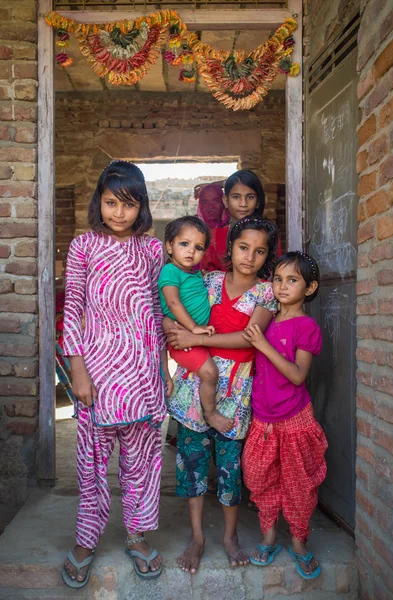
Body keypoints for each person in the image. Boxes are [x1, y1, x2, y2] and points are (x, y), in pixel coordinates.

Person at [62, 160, 173, 588]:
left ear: (142, 206)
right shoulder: (83, 245)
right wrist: (78, 370)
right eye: (111, 203)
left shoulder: (150, 250)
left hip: (142, 372)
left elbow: (154, 310)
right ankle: (87, 540)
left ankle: (137, 535)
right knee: (91, 461)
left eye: (129, 204)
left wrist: (162, 367)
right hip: (98, 372)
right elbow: (73, 306)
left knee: (142, 461)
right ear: (99, 203)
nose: (119, 213)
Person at [165, 216, 278, 573]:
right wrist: (172, 327)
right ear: (229, 248)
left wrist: (196, 338)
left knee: (230, 467)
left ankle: (230, 536)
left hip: (236, 388)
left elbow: (250, 336)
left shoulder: (266, 293)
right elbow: (174, 308)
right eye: (243, 247)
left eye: (259, 252)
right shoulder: (207, 280)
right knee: (193, 464)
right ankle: (197, 537)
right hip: (195, 380)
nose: (250, 256)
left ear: (266, 257)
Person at [241, 251, 327, 580]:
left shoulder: (306, 326)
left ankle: (299, 543)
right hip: (263, 417)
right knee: (261, 478)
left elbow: (297, 376)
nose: (282, 286)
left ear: (310, 287)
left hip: (294, 418)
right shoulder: (269, 320)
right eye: (278, 279)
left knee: (298, 484)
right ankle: (268, 537)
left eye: (292, 280)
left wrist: (263, 345)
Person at [159, 215, 234, 434]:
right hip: (183, 336)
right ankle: (211, 414)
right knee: (210, 373)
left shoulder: (192, 274)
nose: (191, 251)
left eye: (198, 247)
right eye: (184, 244)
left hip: (196, 337)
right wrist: (193, 328)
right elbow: (172, 302)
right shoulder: (170, 271)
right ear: (170, 246)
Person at [199, 170, 266, 273]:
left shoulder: (267, 234)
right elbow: (206, 274)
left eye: (250, 197)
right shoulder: (215, 236)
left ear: (258, 202)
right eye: (236, 197)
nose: (243, 204)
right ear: (226, 201)